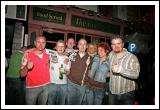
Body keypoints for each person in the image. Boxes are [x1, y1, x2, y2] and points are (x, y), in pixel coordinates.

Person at [108, 36, 140, 105]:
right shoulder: (110, 55)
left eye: (118, 43)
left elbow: (136, 74)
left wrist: (120, 69)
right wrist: (108, 73)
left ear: (123, 44)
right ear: (111, 46)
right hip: (112, 92)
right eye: (114, 44)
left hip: (127, 94)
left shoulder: (131, 57)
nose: (116, 46)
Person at [19, 36, 50, 105]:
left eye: (43, 42)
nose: (41, 45)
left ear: (45, 44)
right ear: (35, 43)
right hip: (32, 88)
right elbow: (21, 74)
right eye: (38, 42)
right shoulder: (27, 55)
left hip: (46, 87)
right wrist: (27, 67)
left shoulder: (48, 54)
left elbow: (62, 52)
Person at [66, 38, 90, 105]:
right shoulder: (72, 54)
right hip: (71, 83)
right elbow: (64, 58)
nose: (82, 46)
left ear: (87, 46)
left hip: (82, 85)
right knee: (69, 103)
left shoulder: (90, 58)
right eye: (80, 44)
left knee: (78, 104)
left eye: (84, 44)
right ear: (78, 46)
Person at [47, 40, 70, 105]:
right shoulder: (52, 54)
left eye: (62, 46)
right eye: (58, 46)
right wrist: (26, 51)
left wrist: (65, 72)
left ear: (65, 48)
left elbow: (68, 72)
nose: (60, 48)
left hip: (63, 85)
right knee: (50, 103)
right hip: (52, 84)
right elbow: (41, 49)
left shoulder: (67, 59)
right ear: (56, 47)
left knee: (61, 103)